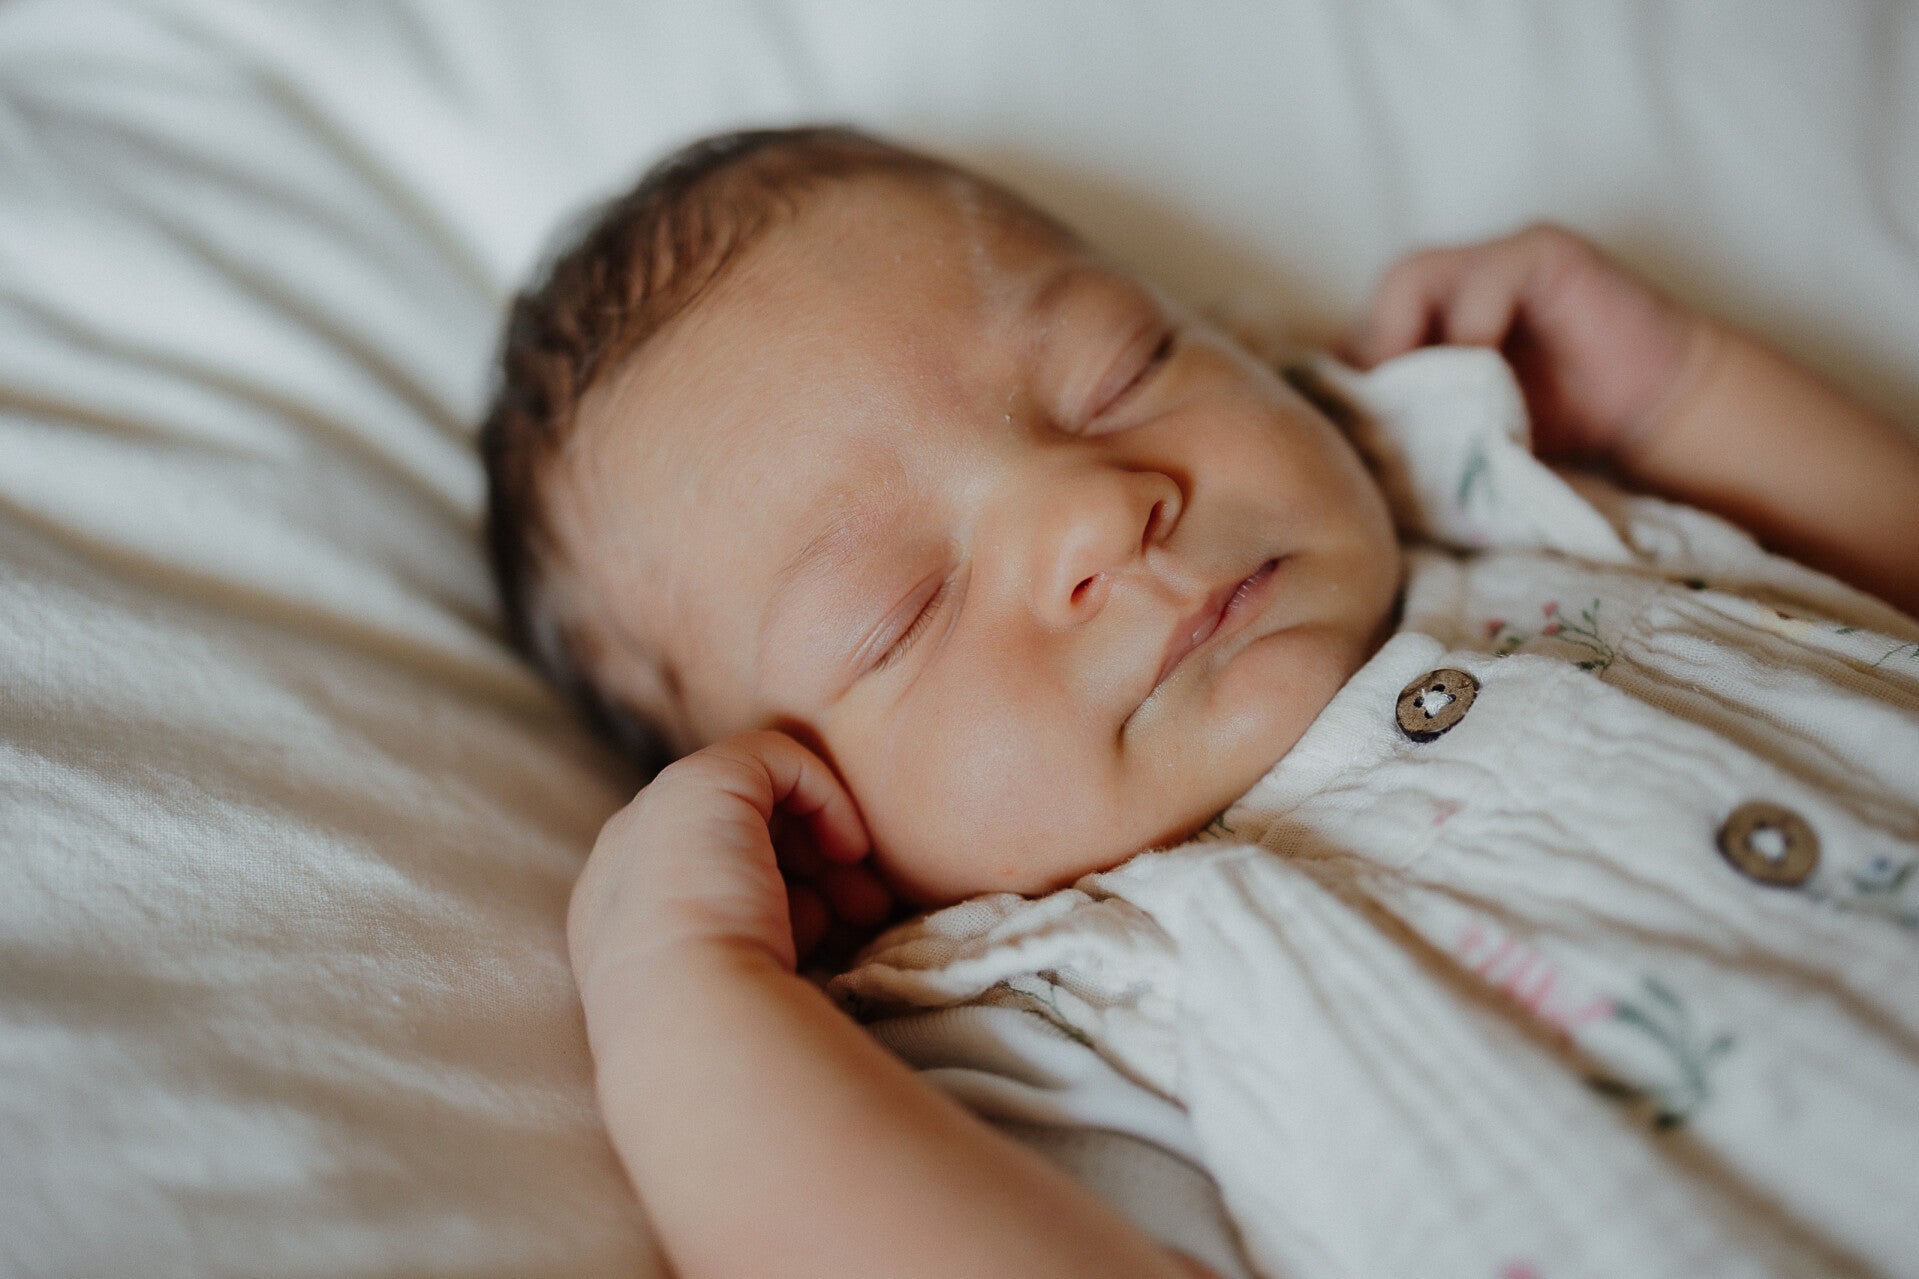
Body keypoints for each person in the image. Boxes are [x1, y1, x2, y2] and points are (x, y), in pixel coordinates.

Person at [480, 127, 1919, 1278]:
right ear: (814, 838)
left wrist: (1680, 398)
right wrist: (686, 1006)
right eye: (899, 608)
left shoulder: (1510, 508)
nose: (1095, 510)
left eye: (1121, 371)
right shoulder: (1055, 1013)